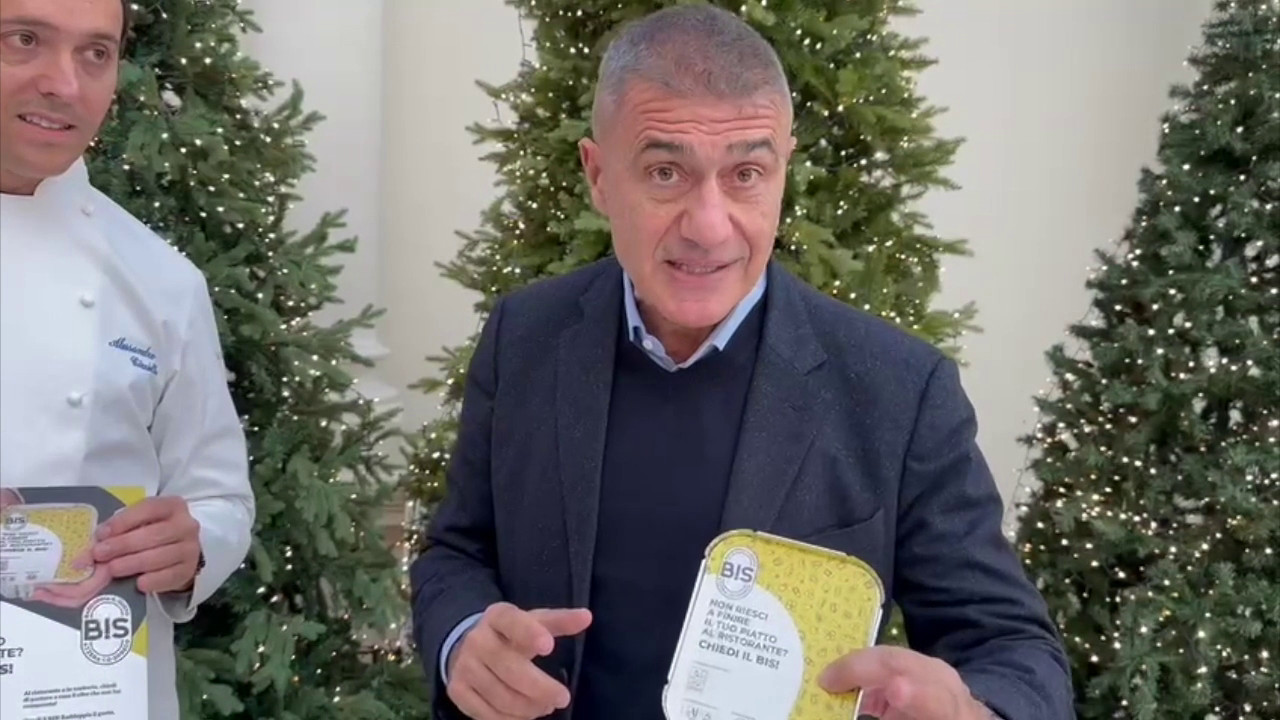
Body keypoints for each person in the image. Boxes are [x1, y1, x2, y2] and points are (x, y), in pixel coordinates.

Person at [410, 6, 1073, 720]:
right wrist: (463, 638)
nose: (709, 225)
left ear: (784, 170)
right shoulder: (525, 336)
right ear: (598, 176)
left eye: (746, 173)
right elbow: (457, 551)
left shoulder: (899, 391)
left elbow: (1016, 651)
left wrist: (973, 712)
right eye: (666, 172)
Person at [0, 0, 255, 716]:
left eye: (96, 54)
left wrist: (189, 548)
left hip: (84, 685)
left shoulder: (161, 281)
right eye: (24, 39)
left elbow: (219, 497)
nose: (64, 84)